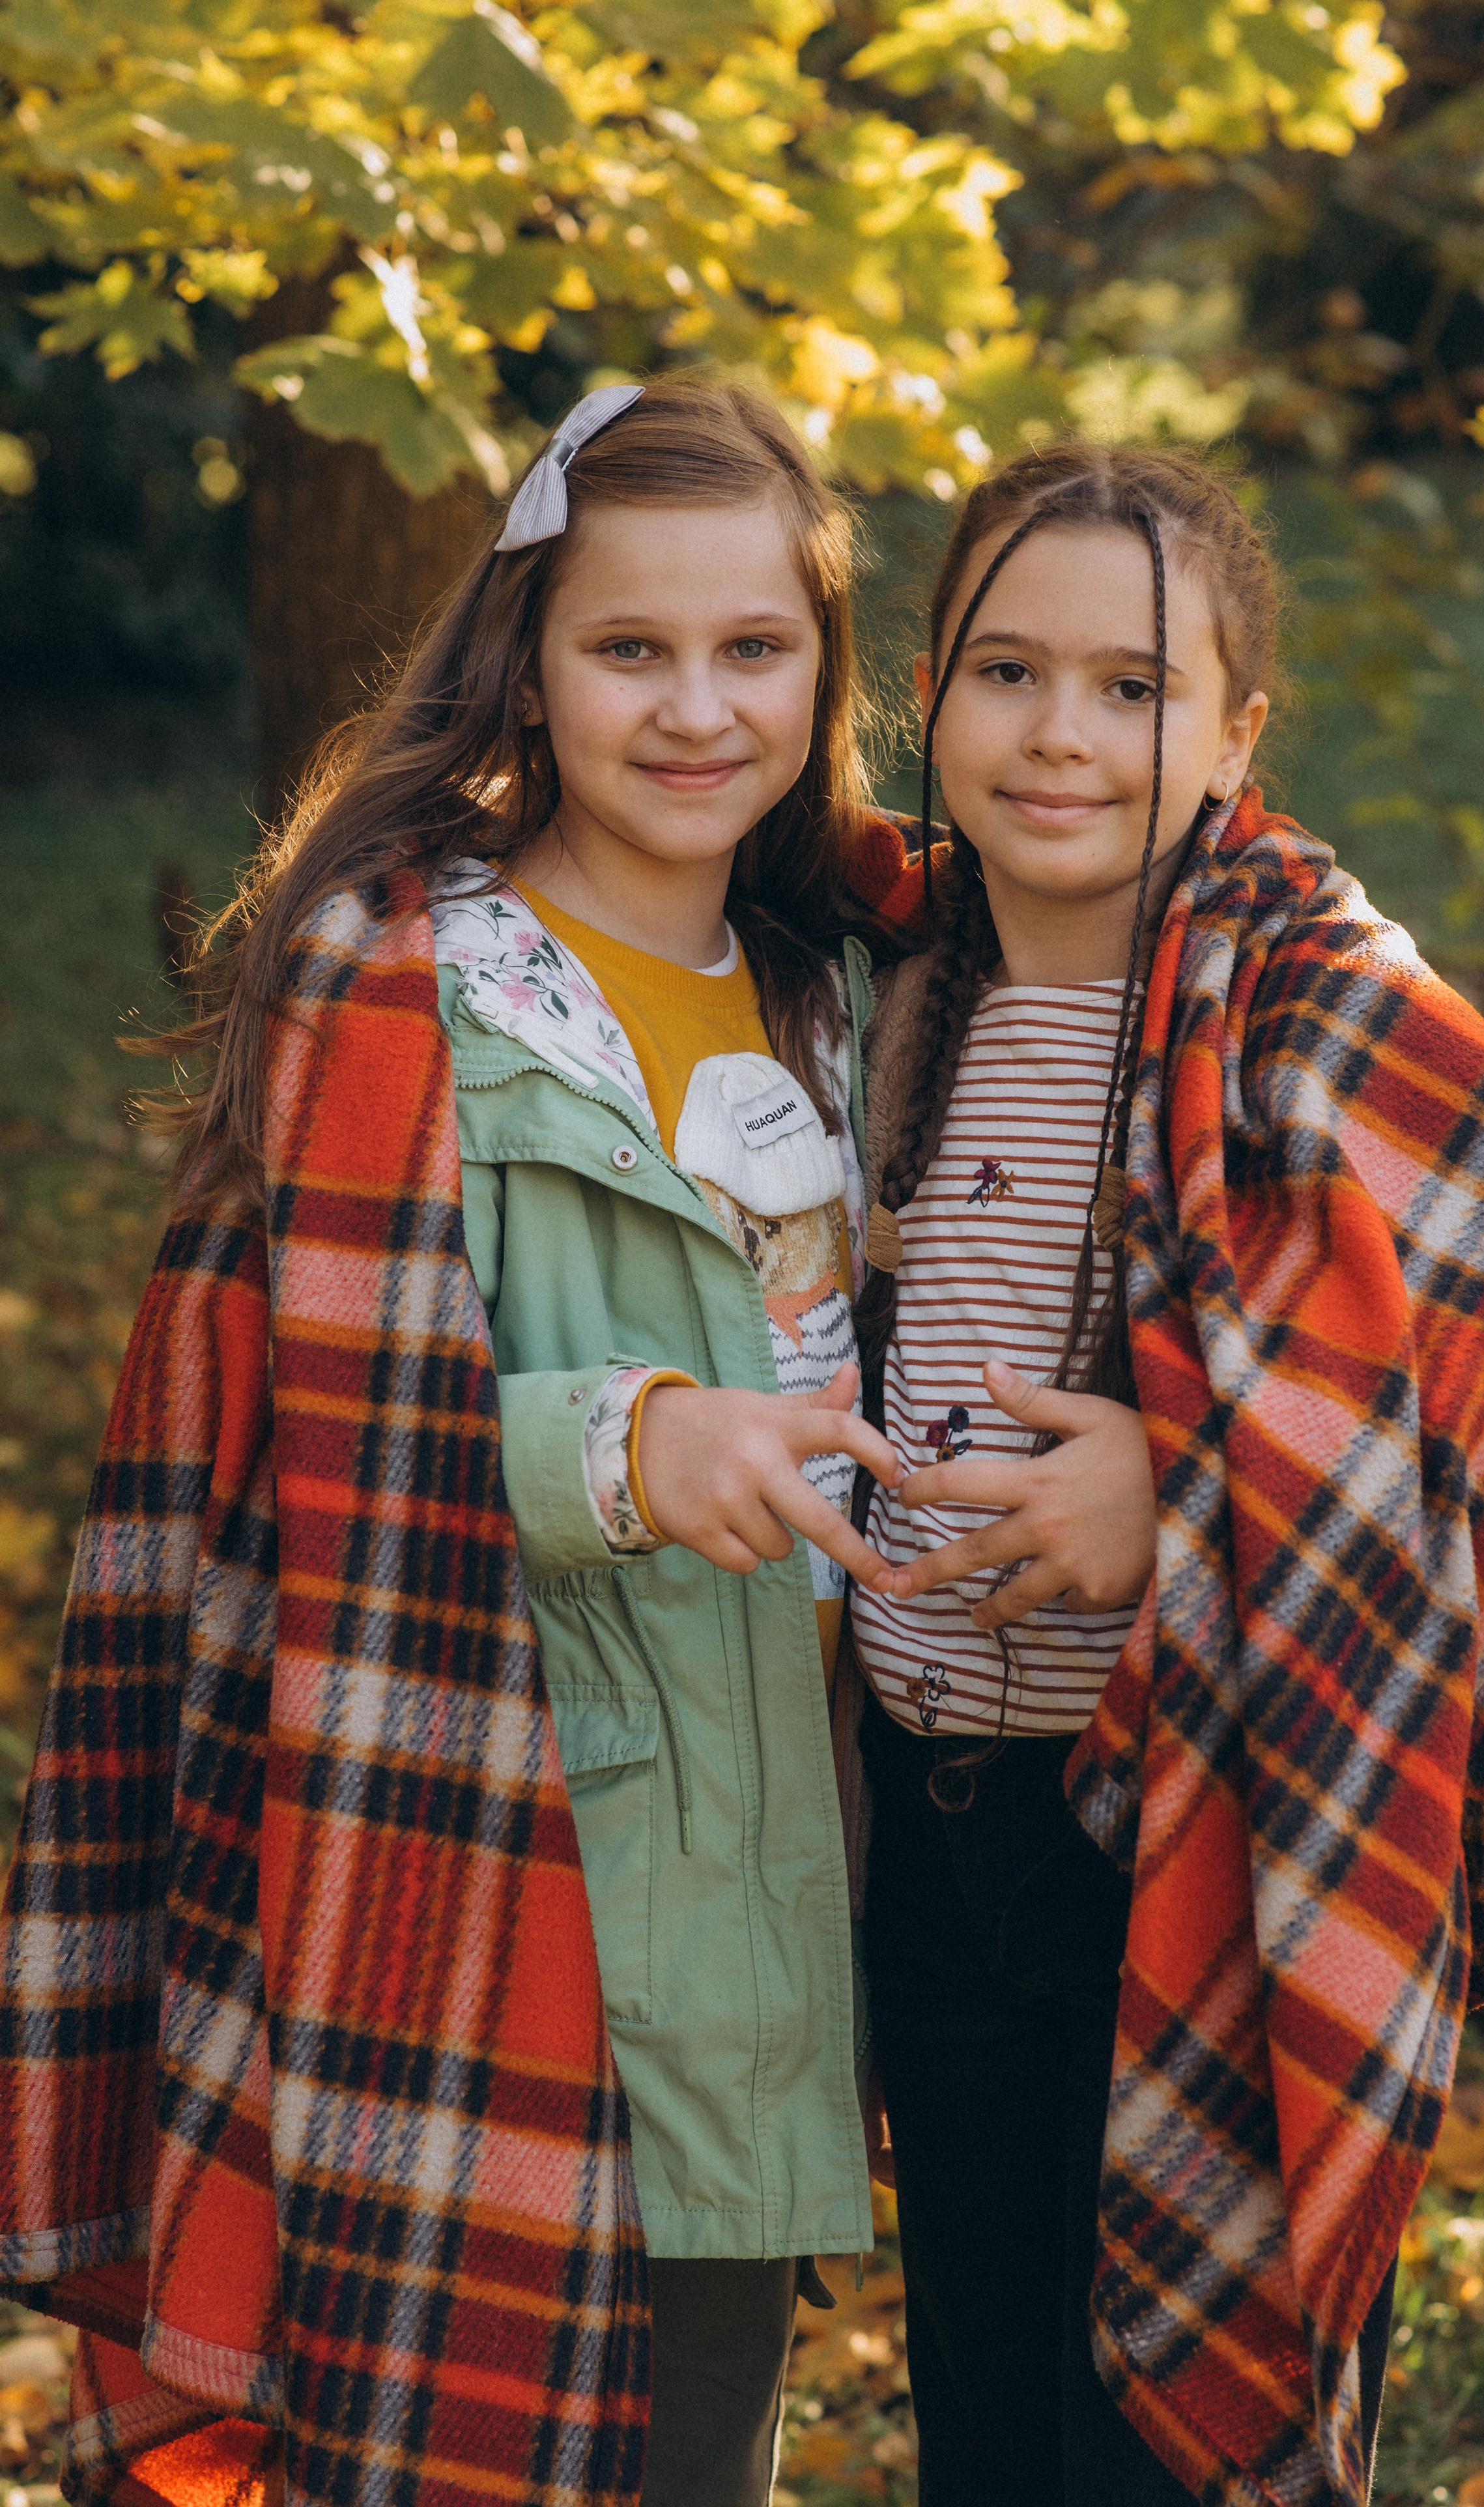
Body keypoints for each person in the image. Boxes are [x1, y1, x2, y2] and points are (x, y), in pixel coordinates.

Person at [0, 376, 913, 2507]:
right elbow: (291, 1447)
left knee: (699, 2450)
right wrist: (624, 1446)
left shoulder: (849, 984)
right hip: (482, 1875)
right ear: (529, 656)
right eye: (630, 649)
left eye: (754, 648)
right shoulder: (408, 988)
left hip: (786, 1886)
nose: (696, 706)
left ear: (824, 669)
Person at [841, 442, 1484, 2507]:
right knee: (990, 2437)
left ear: (1235, 733)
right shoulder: (886, 985)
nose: (1061, 734)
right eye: (1006, 671)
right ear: (926, 695)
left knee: (1178, 2448)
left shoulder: (1304, 990)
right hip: (939, 1853)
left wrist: (1181, 1493)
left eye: (1133, 688)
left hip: (1194, 1857)